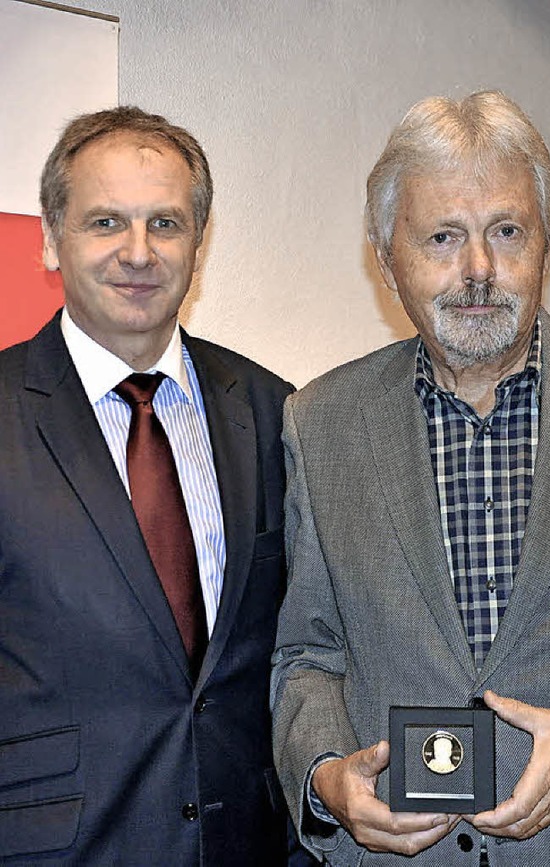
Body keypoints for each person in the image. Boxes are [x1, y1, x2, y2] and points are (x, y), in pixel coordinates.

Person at [271, 91, 550, 866]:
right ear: (386, 257)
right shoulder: (321, 421)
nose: (478, 270)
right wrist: (327, 775)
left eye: (506, 231)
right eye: (442, 236)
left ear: (546, 243)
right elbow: (308, 654)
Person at [0, 105, 304, 866]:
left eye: (165, 224)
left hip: (246, 845)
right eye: (106, 222)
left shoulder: (276, 411)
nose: (138, 252)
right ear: (49, 237)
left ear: (199, 242)